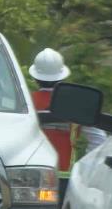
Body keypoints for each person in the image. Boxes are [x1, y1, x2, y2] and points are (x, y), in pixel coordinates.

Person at [29, 48, 79, 198]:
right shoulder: (76, 103)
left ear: (35, 78)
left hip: (34, 174)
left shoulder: (27, 102)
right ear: (62, 76)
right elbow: (97, 138)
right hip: (65, 176)